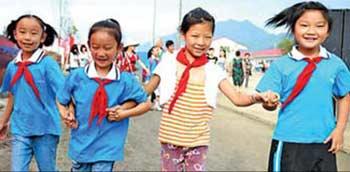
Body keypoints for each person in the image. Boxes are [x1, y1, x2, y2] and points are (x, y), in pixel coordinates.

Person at [144, 7, 279, 171]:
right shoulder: (168, 63)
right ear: (183, 34)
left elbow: (237, 98)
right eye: (195, 36)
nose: (201, 42)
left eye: (207, 37)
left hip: (198, 142)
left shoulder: (214, 70)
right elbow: (146, 90)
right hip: (171, 140)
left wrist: (259, 97)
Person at [257, 1, 350, 171]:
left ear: (328, 31)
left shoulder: (336, 65)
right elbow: (268, 101)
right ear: (293, 29)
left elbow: (344, 96)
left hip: (325, 142)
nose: (311, 31)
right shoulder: (281, 65)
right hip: (290, 142)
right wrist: (268, 103)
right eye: (304, 25)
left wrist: (339, 130)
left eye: (319, 26)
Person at [56, 18, 151, 172]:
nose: (101, 53)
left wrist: (124, 113)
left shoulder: (125, 79)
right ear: (88, 46)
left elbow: (146, 104)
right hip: (81, 144)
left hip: (108, 147)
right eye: (95, 47)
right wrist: (65, 114)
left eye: (107, 48)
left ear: (119, 48)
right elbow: (61, 99)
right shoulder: (77, 76)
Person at [0, 14, 64, 171]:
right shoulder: (12, 66)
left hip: (46, 129)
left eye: (34, 33)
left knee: (47, 169)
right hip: (20, 129)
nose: (27, 37)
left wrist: (66, 112)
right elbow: (12, 94)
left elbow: (62, 92)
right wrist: (4, 120)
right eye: (22, 32)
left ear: (43, 37)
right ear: (15, 35)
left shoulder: (48, 64)